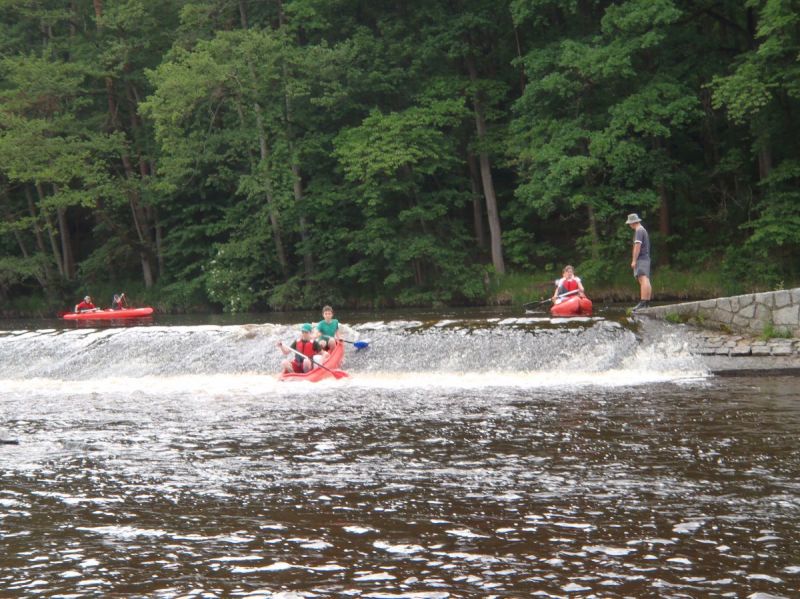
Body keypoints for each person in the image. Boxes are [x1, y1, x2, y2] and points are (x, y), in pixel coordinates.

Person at [626, 213, 652, 310]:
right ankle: (646, 302)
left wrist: (634, 260)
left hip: (641, 258)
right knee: (645, 279)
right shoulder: (643, 230)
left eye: (630, 223)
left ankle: (643, 301)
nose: (629, 225)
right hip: (645, 258)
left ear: (633, 223)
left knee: (642, 278)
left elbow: (637, 246)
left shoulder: (639, 231)